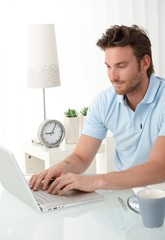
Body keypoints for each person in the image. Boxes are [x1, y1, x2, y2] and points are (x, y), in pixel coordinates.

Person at [29, 24, 165, 195]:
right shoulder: (104, 101)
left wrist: (97, 181)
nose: (113, 76)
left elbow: (159, 168)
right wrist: (63, 166)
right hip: (123, 195)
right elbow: (81, 157)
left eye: (121, 66)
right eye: (108, 66)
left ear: (145, 62)